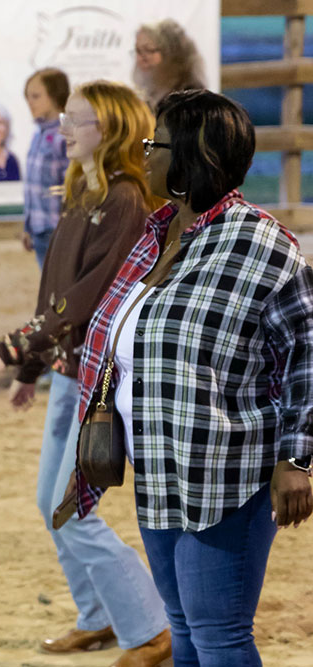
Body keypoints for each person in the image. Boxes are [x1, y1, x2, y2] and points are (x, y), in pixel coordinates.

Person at [69, 89, 313, 665]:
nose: (144, 153)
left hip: (227, 472)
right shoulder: (158, 235)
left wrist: (298, 459)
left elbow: (307, 354)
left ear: (192, 156)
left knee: (219, 632)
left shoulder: (262, 244)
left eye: (155, 144)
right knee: (182, 627)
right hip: (159, 462)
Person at [0, 81, 171, 666]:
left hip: (100, 379)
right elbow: (55, 290)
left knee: (70, 511)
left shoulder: (127, 200)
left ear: (114, 130)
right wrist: (31, 365)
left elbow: (87, 294)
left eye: (78, 119)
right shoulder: (86, 191)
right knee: (50, 504)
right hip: (70, 373)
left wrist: (11, 348)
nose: (64, 128)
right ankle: (99, 615)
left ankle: (152, 627)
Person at [22, 68, 69, 268]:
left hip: (58, 230)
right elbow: (32, 186)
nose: (29, 102)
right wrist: (28, 227)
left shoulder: (66, 135)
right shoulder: (38, 134)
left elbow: (70, 185)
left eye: (36, 96)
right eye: (28, 97)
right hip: (40, 228)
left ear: (55, 95)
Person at [132, 19, 205, 112]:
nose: (141, 58)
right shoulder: (148, 94)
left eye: (149, 50)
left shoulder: (190, 98)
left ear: (172, 54)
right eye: (138, 50)